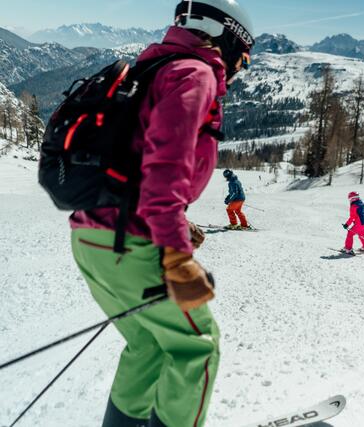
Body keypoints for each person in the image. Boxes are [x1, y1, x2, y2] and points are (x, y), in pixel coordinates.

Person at [68, 1, 254, 426]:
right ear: (227, 38)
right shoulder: (195, 73)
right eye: (243, 57)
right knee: (197, 346)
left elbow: (133, 162)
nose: (241, 69)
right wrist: (173, 251)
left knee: (148, 345)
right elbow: (164, 169)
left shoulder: (154, 67)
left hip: (92, 237)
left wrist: (173, 223)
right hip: (129, 243)